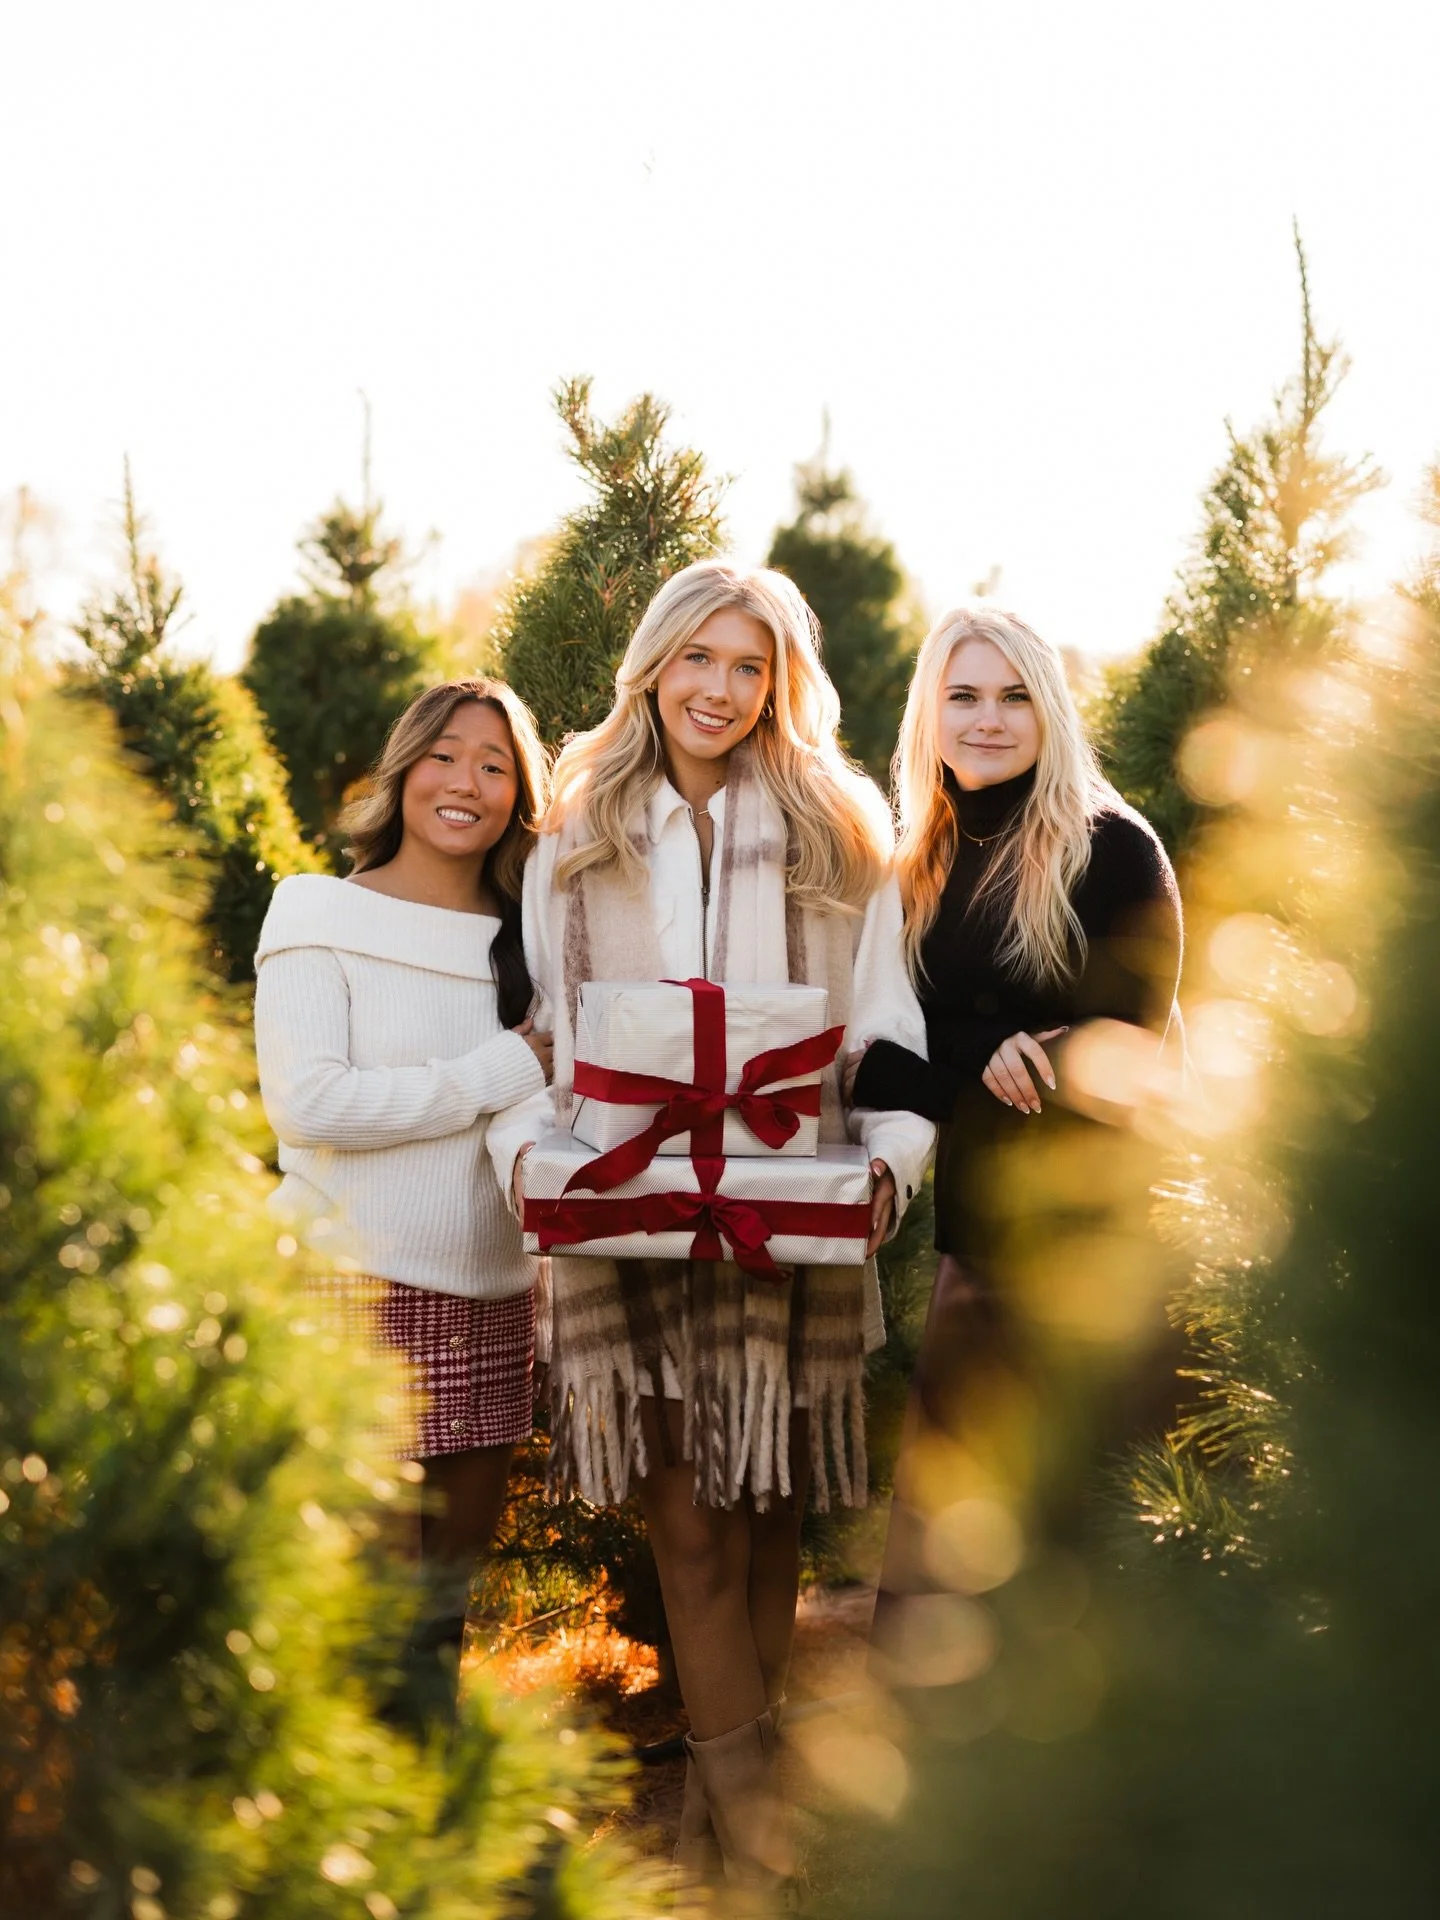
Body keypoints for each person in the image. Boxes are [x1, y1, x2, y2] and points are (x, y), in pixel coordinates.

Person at [491, 561, 934, 1905]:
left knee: (763, 1531)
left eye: (749, 668)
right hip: (630, 1226)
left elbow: (890, 1036)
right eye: (699, 661)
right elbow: (528, 1036)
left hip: (785, 1219)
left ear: (779, 684)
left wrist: (888, 1175)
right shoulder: (577, 837)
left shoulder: (839, 835)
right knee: (687, 1525)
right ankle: (773, 1850)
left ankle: (717, 1853)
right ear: (654, 666)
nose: (721, 691)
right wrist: (530, 1161)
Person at [845, 607, 1183, 1654]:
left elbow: (1133, 1039)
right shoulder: (919, 872)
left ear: (1050, 709)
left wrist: (1015, 1048)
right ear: (930, 715)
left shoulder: (1112, 850)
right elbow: (886, 1060)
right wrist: (976, 1054)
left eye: (1013, 696)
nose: (988, 720)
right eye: (964, 696)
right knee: (955, 1542)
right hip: (979, 1243)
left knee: (1099, 1535)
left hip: (1100, 1246)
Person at [253, 678, 554, 1666]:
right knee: (370, 1613)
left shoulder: (528, 945)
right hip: (349, 1287)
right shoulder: (316, 911)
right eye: (445, 756)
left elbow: (542, 1124)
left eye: (496, 764)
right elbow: (313, 1104)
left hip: (492, 1302)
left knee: (440, 1621)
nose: (467, 781)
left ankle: (430, 1817)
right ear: (404, 771)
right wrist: (495, 1069)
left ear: (519, 795)